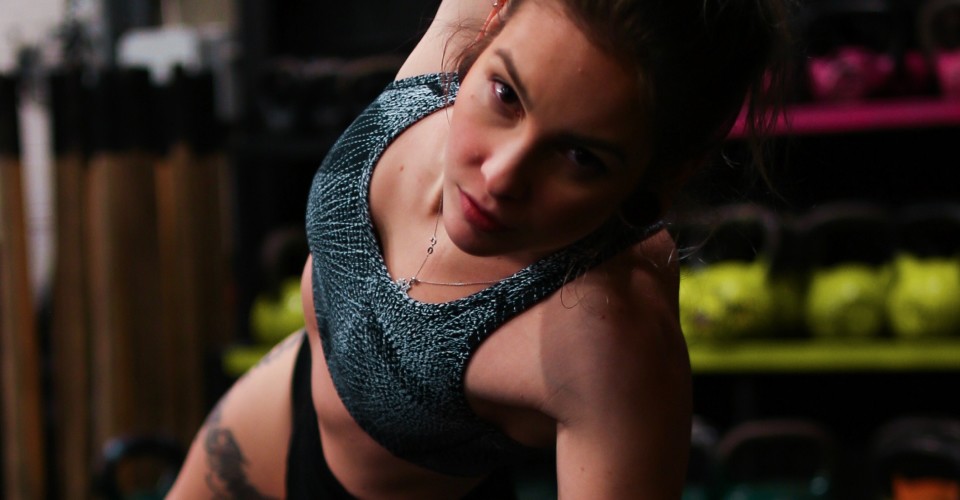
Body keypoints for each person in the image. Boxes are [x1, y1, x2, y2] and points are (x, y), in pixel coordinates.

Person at [167, 0, 792, 497]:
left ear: (665, 174)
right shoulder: (475, 22)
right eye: (506, 96)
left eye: (581, 157)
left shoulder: (611, 338)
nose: (500, 176)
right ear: (493, 21)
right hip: (268, 414)